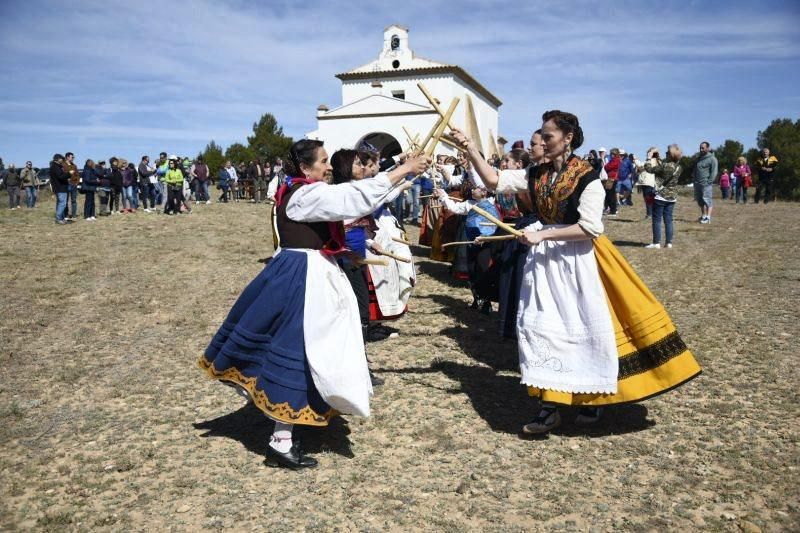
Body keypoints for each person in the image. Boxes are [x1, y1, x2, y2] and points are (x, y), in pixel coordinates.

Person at [453, 110, 701, 434]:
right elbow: (494, 181)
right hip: (545, 263)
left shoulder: (587, 177)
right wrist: (470, 147)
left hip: (579, 259)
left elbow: (589, 227)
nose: (541, 141)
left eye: (548, 136)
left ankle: (592, 397)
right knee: (539, 328)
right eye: (541, 135)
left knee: (581, 328)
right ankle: (549, 405)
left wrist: (543, 234)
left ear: (567, 138)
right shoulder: (537, 173)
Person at [200, 139, 429, 469]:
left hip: (311, 274)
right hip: (302, 280)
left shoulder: (305, 190)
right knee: (300, 351)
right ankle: (281, 440)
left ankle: (298, 418)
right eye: (323, 161)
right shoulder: (305, 194)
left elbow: (361, 198)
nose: (329, 166)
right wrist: (405, 170)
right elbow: (351, 197)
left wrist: (401, 171)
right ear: (305, 168)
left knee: (312, 351)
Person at [645, 145, 683, 249]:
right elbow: (665, 166)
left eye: (667, 152)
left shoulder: (665, 166)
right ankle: (669, 242)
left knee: (657, 219)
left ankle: (656, 242)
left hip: (661, 195)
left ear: (671, 155)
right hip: (672, 196)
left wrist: (649, 158)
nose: (665, 153)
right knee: (668, 220)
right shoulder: (679, 167)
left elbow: (649, 169)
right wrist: (658, 158)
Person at [692, 142, 717, 223]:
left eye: (703, 148)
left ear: (708, 148)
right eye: (700, 148)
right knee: (700, 201)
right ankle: (704, 215)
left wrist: (709, 181)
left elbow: (714, 172)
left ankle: (708, 217)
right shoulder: (699, 158)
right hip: (697, 183)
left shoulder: (712, 159)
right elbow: (692, 158)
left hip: (706, 183)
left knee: (707, 200)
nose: (701, 149)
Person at [636, 147, 658, 219]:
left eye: (649, 152)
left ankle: (649, 214)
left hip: (648, 182)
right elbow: (641, 166)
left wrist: (635, 159)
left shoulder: (653, 161)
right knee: (649, 199)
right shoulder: (652, 160)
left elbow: (641, 166)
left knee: (648, 199)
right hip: (646, 182)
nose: (648, 154)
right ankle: (650, 214)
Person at [50, 154, 70, 224]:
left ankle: (62, 218)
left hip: (61, 187)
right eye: (62, 158)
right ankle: (58, 219)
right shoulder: (55, 167)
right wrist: (69, 174)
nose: (63, 160)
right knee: (62, 204)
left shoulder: (57, 166)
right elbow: (60, 177)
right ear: (58, 159)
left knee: (60, 203)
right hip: (60, 188)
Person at [603, 148, 620, 216]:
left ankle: (613, 211)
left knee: (610, 195)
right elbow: (606, 166)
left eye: (612, 154)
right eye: (611, 153)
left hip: (612, 179)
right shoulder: (613, 160)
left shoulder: (616, 160)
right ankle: (613, 209)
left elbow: (607, 167)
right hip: (610, 178)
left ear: (615, 154)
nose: (611, 155)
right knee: (609, 194)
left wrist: (606, 166)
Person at [64, 152, 80, 220]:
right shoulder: (63, 165)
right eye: (72, 157)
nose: (73, 158)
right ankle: (66, 215)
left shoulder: (74, 165)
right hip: (66, 184)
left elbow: (78, 175)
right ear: (67, 157)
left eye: (73, 157)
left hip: (74, 184)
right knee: (65, 201)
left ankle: (74, 215)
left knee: (74, 200)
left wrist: (77, 182)